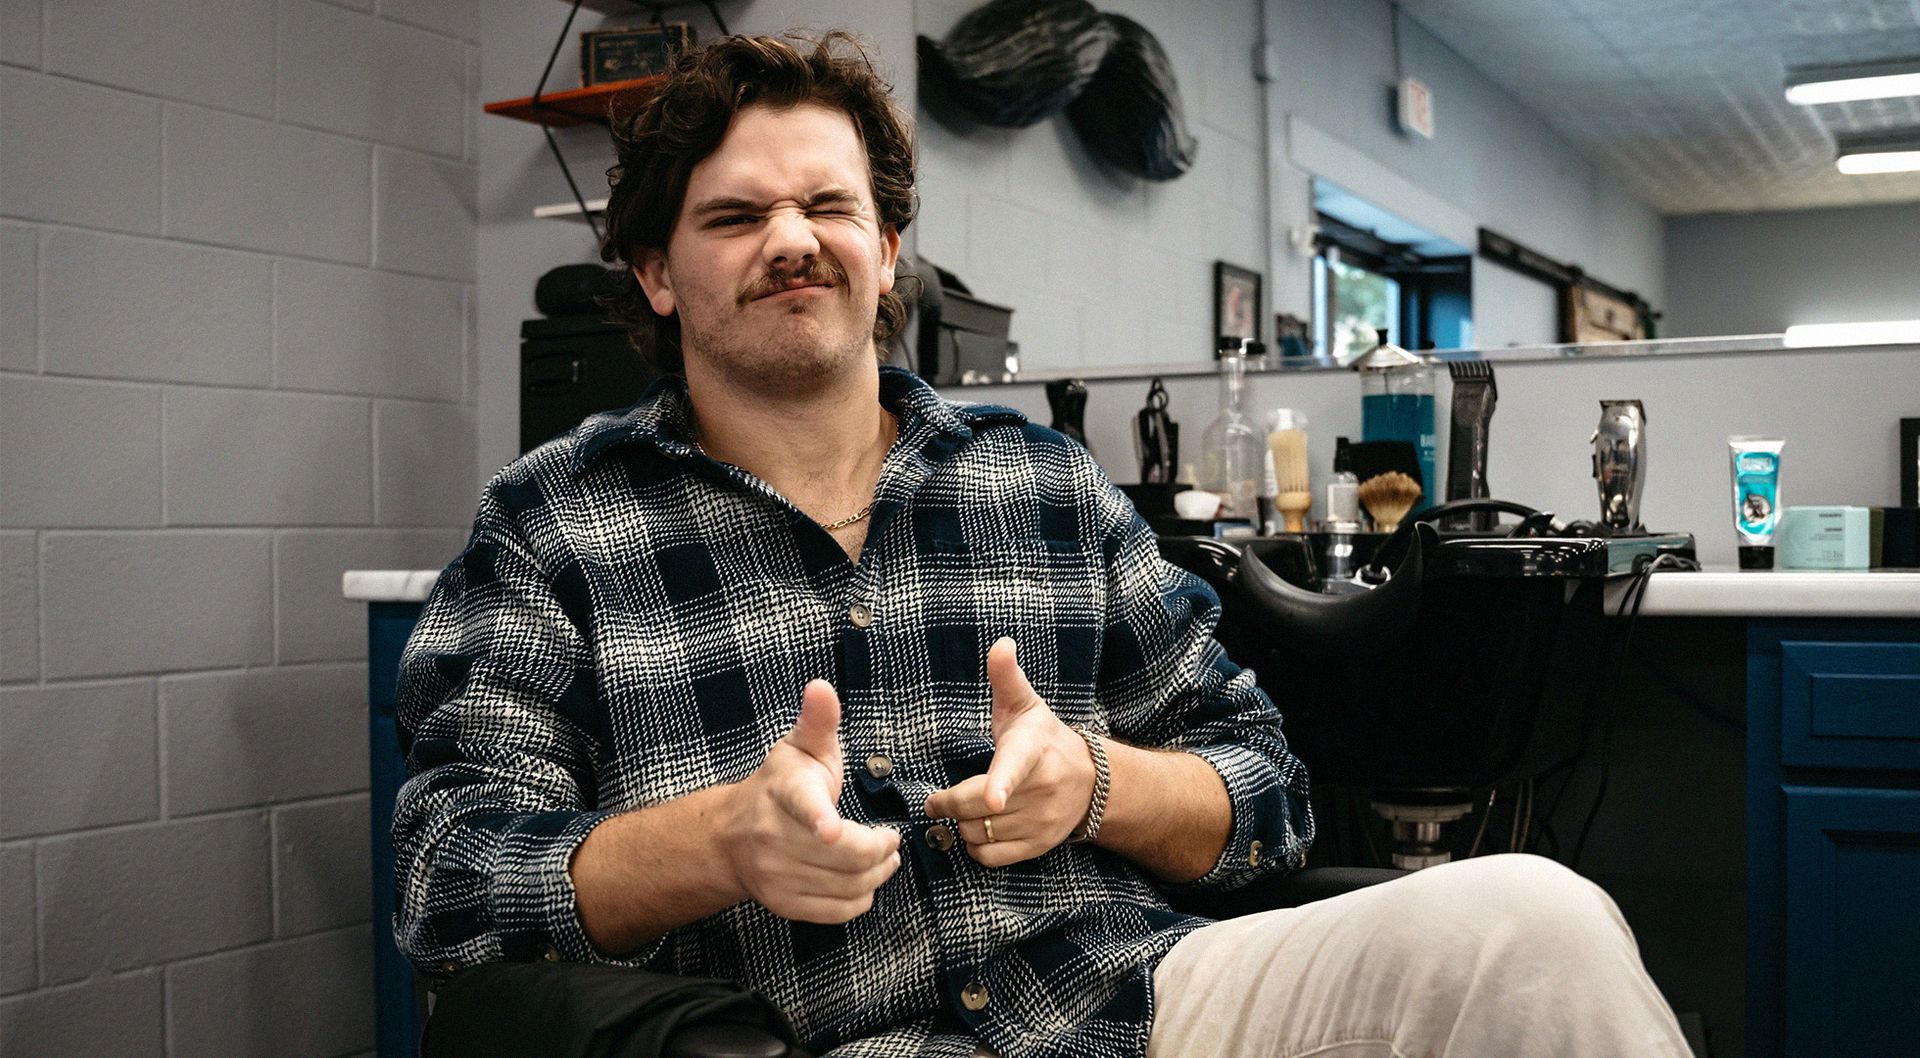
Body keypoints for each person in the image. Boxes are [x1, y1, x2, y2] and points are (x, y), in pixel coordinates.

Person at [392, 32, 1694, 1058]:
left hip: (1131, 1005)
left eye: (828, 206)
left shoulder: (1042, 484)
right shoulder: (554, 523)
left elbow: (1268, 790)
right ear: (658, 273)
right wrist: (721, 844)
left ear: (888, 245)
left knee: (1536, 916)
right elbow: (444, 874)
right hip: (812, 1036)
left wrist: (1092, 780)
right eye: (733, 217)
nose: (792, 240)